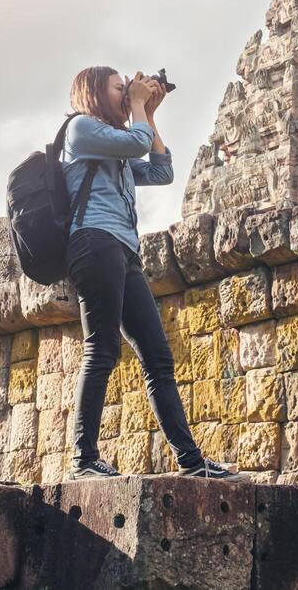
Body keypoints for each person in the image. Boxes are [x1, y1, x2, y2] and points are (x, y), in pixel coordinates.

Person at [62, 65, 243, 481]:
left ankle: (191, 462)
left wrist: (151, 113)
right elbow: (135, 144)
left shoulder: (115, 145)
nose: (126, 92)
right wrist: (140, 106)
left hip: (124, 251)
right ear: (93, 92)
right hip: (94, 242)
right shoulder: (81, 130)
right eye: (118, 87)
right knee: (102, 348)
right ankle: (83, 460)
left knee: (158, 357)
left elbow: (161, 171)